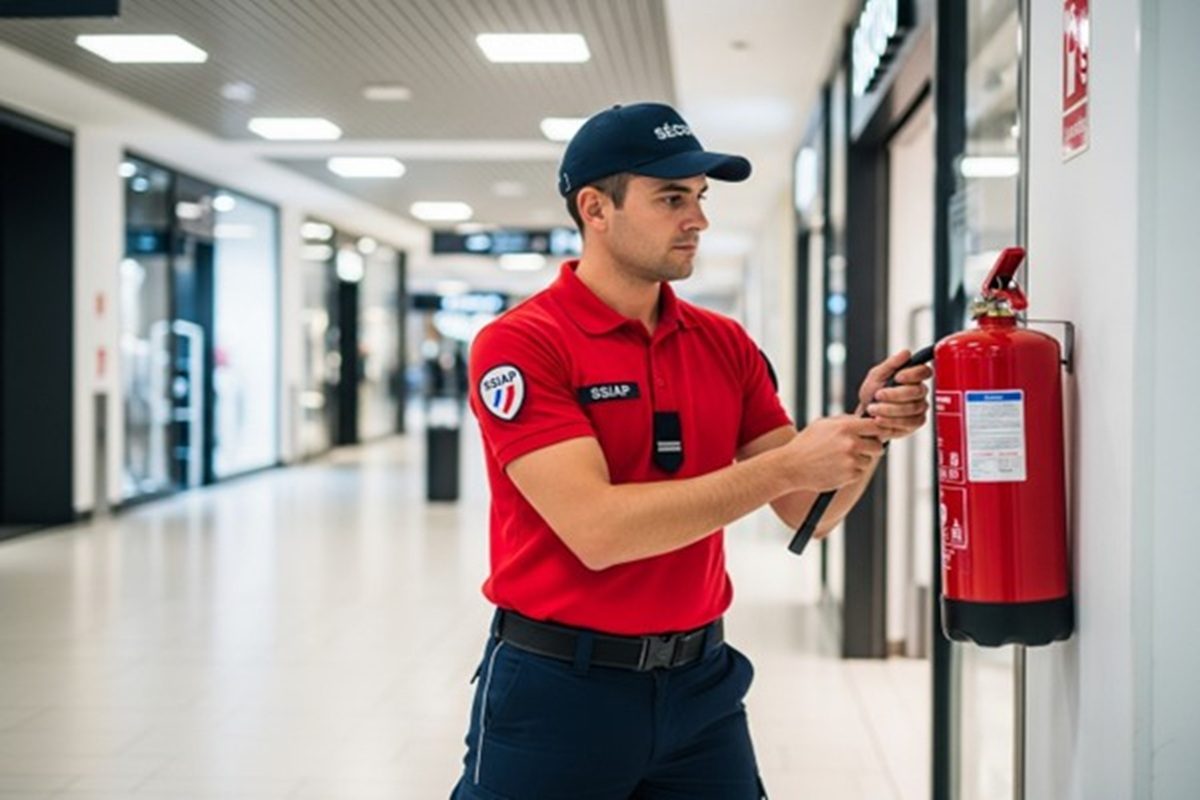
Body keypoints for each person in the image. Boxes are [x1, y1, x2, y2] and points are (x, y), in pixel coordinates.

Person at [451, 102, 931, 800]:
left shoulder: (723, 343)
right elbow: (598, 531)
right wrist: (787, 464)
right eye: (672, 198)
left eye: (701, 198)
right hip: (559, 692)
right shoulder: (522, 344)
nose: (698, 219)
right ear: (595, 208)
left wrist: (868, 432)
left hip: (701, 688)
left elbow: (809, 511)